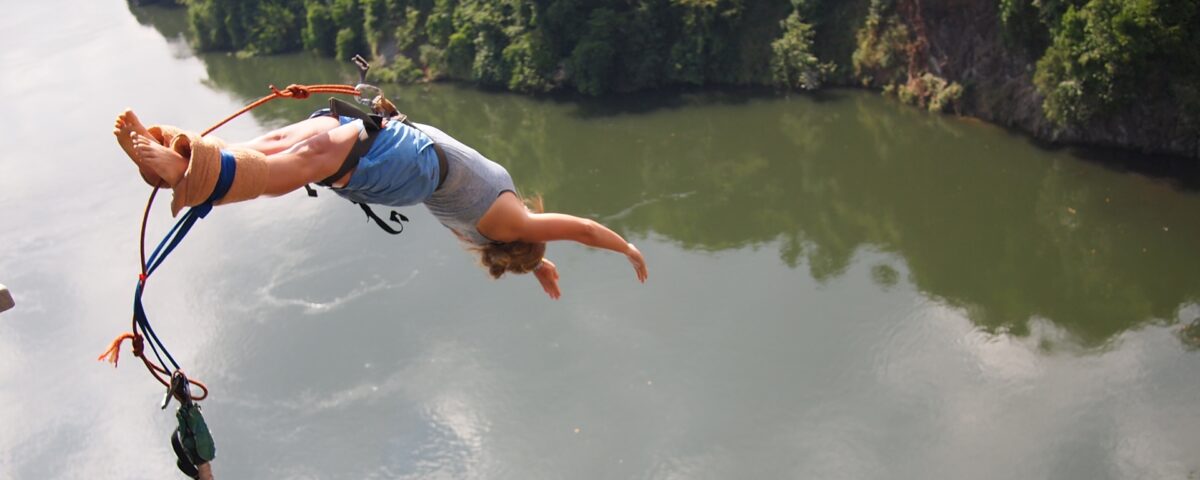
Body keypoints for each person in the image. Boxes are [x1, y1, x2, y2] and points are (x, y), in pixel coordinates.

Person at [112, 107, 647, 299]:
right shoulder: (495, 234)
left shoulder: (514, 221)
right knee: (286, 146)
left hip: (409, 164)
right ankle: (181, 154)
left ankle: (184, 171)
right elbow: (519, 249)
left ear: (524, 237)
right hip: (399, 148)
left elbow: (579, 227)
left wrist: (626, 249)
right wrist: (540, 268)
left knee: (304, 158)